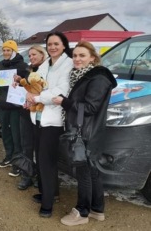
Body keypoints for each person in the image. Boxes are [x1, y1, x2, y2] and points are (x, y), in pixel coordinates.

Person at [53, 41, 117, 226]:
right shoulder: (84, 76)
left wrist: (64, 102)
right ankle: (97, 209)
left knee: (84, 173)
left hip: (86, 133)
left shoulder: (97, 78)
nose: (77, 59)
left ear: (92, 58)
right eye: (75, 56)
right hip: (87, 131)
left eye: (82, 55)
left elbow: (90, 107)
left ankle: (82, 212)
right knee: (92, 171)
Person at [25, 32, 73, 218]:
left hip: (53, 121)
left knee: (47, 162)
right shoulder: (46, 64)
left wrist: (36, 97)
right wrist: (29, 96)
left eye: (56, 44)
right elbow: (35, 84)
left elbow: (59, 93)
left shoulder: (67, 65)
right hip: (38, 117)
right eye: (49, 44)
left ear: (63, 45)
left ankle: (47, 205)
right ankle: (50, 193)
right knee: (41, 158)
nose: (52, 47)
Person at [0, 40, 28, 175]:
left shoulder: (22, 66)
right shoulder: (1, 65)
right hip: (3, 104)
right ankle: (9, 156)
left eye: (8, 50)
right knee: (5, 132)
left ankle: (18, 161)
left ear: (14, 51)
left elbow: (28, 84)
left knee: (16, 134)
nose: (6, 53)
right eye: (4, 50)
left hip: (16, 106)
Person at [16, 45, 48, 190]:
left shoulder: (48, 70)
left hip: (42, 113)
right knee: (26, 145)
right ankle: (27, 174)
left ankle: (41, 176)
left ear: (43, 55)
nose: (32, 57)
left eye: (34, 54)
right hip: (26, 113)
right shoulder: (29, 70)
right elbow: (27, 89)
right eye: (30, 55)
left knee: (40, 147)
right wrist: (18, 83)